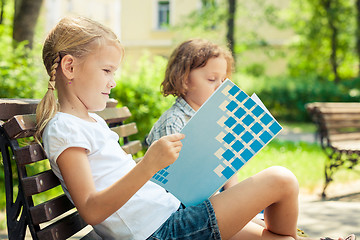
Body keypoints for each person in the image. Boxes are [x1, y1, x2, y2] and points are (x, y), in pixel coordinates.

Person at [35, 16, 356, 240]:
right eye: (106, 70)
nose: (113, 81)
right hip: (161, 231)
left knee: (276, 237)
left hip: (171, 216)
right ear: (69, 66)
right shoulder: (65, 129)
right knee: (281, 180)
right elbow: (91, 210)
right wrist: (149, 165)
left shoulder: (88, 122)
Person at [146, 39, 239, 190]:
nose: (220, 87)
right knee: (279, 180)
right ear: (184, 79)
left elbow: (228, 167)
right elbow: (174, 182)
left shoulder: (215, 118)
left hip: (217, 198)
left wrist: (235, 194)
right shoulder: (174, 121)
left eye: (223, 80)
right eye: (211, 79)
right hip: (186, 206)